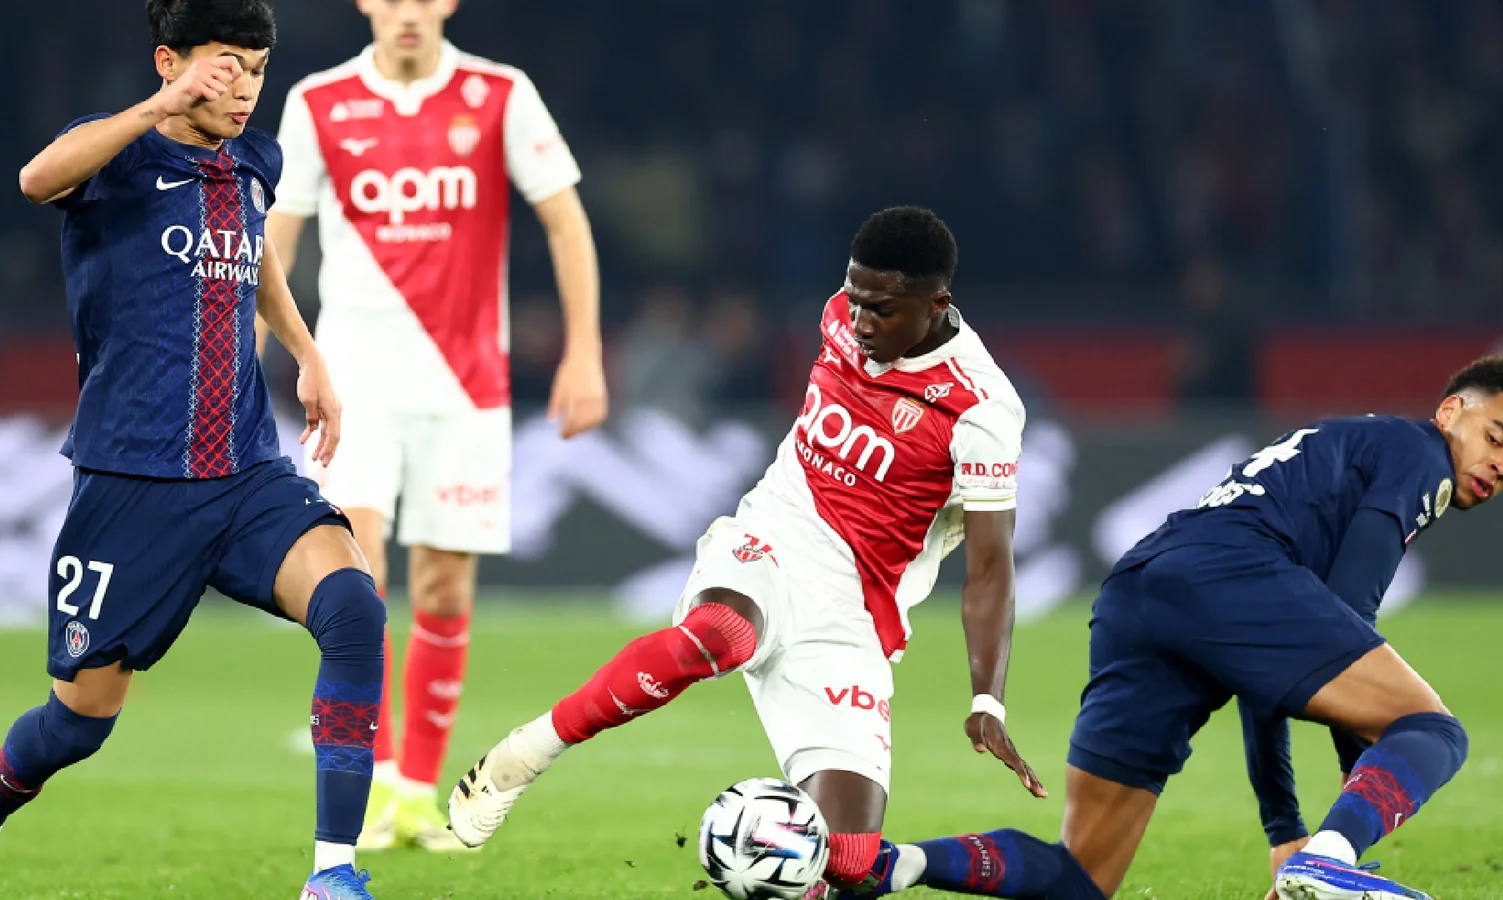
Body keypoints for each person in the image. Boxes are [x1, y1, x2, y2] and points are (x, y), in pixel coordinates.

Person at [447, 206, 1050, 895]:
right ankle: (521, 757)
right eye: (854, 300)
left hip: (855, 612)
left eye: (881, 310)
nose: (859, 322)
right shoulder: (838, 315)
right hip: (779, 532)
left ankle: (921, 864)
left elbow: (990, 568)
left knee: (847, 864)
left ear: (937, 303)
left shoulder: (980, 408)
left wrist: (988, 699)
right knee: (720, 634)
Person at [841, 356, 1503, 900]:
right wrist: (1354, 792)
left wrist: (1285, 829)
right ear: (1450, 411)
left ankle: (890, 864)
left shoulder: (1351, 447)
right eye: (1496, 437)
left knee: (1079, 875)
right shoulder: (1419, 455)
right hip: (1227, 573)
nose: (1502, 465)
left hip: (1141, 588)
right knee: (1434, 732)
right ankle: (1331, 865)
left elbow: (1274, 665)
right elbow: (1346, 615)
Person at [8, 2, 388, 897]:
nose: (244, 88)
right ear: (169, 61)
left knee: (354, 607)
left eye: (256, 69)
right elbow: (34, 179)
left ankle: (333, 874)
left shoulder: (255, 161)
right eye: (225, 66)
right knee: (78, 722)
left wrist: (307, 352)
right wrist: (157, 107)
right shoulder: (115, 153)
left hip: (245, 472)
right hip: (132, 482)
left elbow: (253, 256)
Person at [258, 0, 607, 851]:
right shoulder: (318, 101)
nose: (407, 11)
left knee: (446, 586)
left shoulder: (500, 94)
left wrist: (585, 351)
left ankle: (417, 793)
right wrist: (242, 357)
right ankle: (374, 786)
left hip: (465, 386)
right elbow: (277, 241)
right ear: (365, 4)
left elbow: (564, 220)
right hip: (355, 383)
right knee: (357, 579)